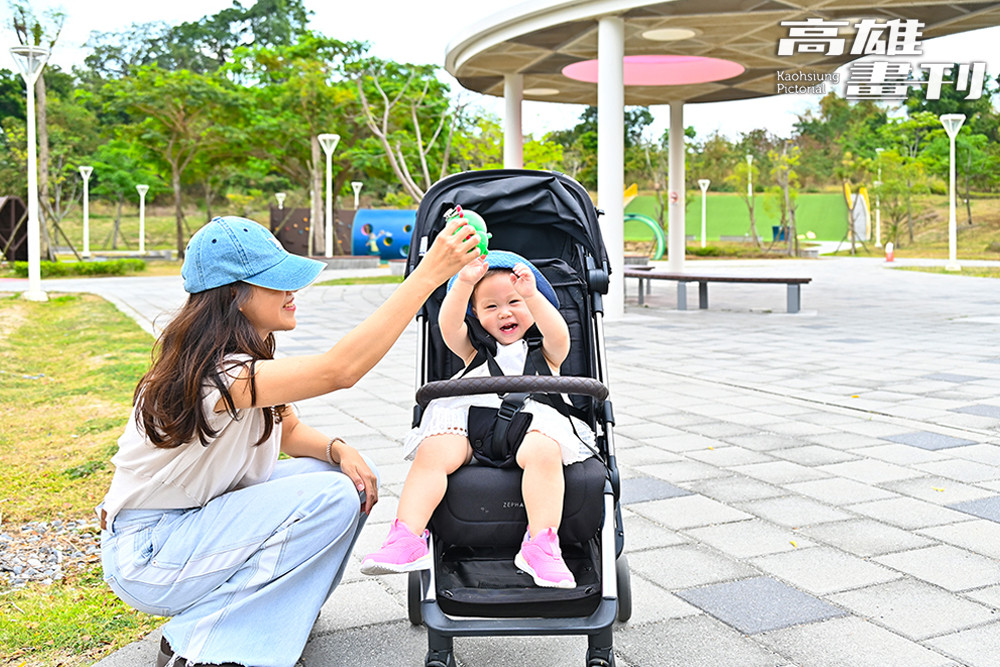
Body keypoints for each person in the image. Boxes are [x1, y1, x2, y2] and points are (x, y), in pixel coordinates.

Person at [98, 215, 481, 667]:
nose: (291, 292)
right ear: (236, 297)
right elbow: (341, 370)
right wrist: (429, 273)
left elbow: (291, 432)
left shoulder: (241, 361)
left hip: (185, 533)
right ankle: (207, 646)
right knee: (331, 496)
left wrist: (338, 450)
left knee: (348, 479)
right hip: (153, 555)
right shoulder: (215, 375)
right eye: (276, 282)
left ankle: (265, 619)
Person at [360, 250, 594, 589]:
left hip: (532, 425)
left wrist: (531, 294)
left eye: (514, 302)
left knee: (546, 452)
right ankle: (406, 537)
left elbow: (558, 332)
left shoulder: (546, 351)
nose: (505, 313)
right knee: (433, 451)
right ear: (476, 314)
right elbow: (448, 324)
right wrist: (463, 283)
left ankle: (541, 544)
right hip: (472, 426)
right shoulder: (473, 350)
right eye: (491, 307)